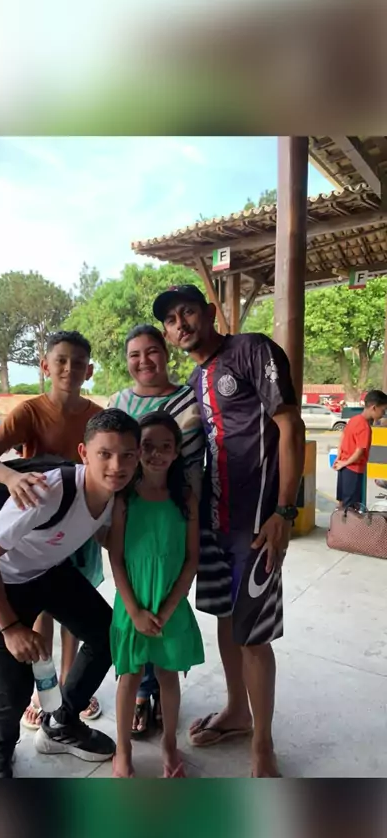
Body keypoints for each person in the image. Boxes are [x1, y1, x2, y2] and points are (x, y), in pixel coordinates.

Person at [154, 283, 305, 778]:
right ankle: (238, 710)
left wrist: (285, 511)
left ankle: (263, 745)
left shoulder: (252, 350)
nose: (180, 324)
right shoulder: (195, 379)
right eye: (170, 320)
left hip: (257, 525)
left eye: (187, 312)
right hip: (214, 524)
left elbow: (290, 427)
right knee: (225, 618)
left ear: (210, 312)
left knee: (254, 636)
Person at [0, 408, 140, 778]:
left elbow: (101, 533)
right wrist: (11, 627)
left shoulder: (115, 494)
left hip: (45, 571)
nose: (116, 466)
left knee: (108, 635)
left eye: (127, 455)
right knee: (13, 688)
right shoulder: (48, 491)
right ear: (84, 453)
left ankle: (62, 722)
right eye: (105, 454)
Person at [0, 330, 104, 731]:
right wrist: (11, 478)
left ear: (89, 371)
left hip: (81, 524)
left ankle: (68, 682)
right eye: (60, 360)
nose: (69, 369)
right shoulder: (29, 412)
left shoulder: (96, 416)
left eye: (78, 363)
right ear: (45, 366)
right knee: (41, 610)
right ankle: (41, 688)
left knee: (77, 607)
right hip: (37, 527)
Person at [108, 324, 205, 737]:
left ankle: (160, 694)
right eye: (134, 354)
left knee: (164, 607)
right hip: (134, 513)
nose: (144, 360)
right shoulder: (118, 402)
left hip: (178, 507)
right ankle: (142, 696)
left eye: (152, 351)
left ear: (165, 353)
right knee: (137, 606)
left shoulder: (189, 397)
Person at [333, 390, 387, 508]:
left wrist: (339, 458)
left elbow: (342, 437)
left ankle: (338, 520)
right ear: (374, 408)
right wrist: (345, 463)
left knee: (342, 503)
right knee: (351, 507)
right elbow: (360, 451)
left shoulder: (354, 419)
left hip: (343, 468)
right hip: (354, 469)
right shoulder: (364, 427)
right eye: (383, 410)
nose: (383, 414)